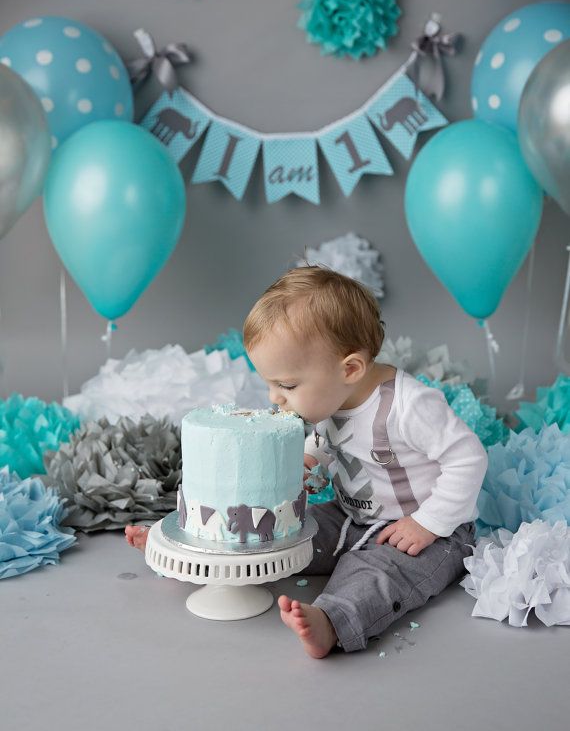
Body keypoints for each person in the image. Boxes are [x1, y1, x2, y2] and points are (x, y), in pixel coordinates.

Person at [126, 266, 488, 659]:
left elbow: (467, 458)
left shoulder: (408, 406)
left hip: (425, 531)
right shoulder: (334, 397)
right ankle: (200, 557)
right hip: (353, 517)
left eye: (287, 385)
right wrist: (309, 458)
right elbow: (329, 437)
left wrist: (428, 523)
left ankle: (333, 621)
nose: (275, 398)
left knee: (378, 574)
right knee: (290, 534)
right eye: (271, 385)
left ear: (350, 368)